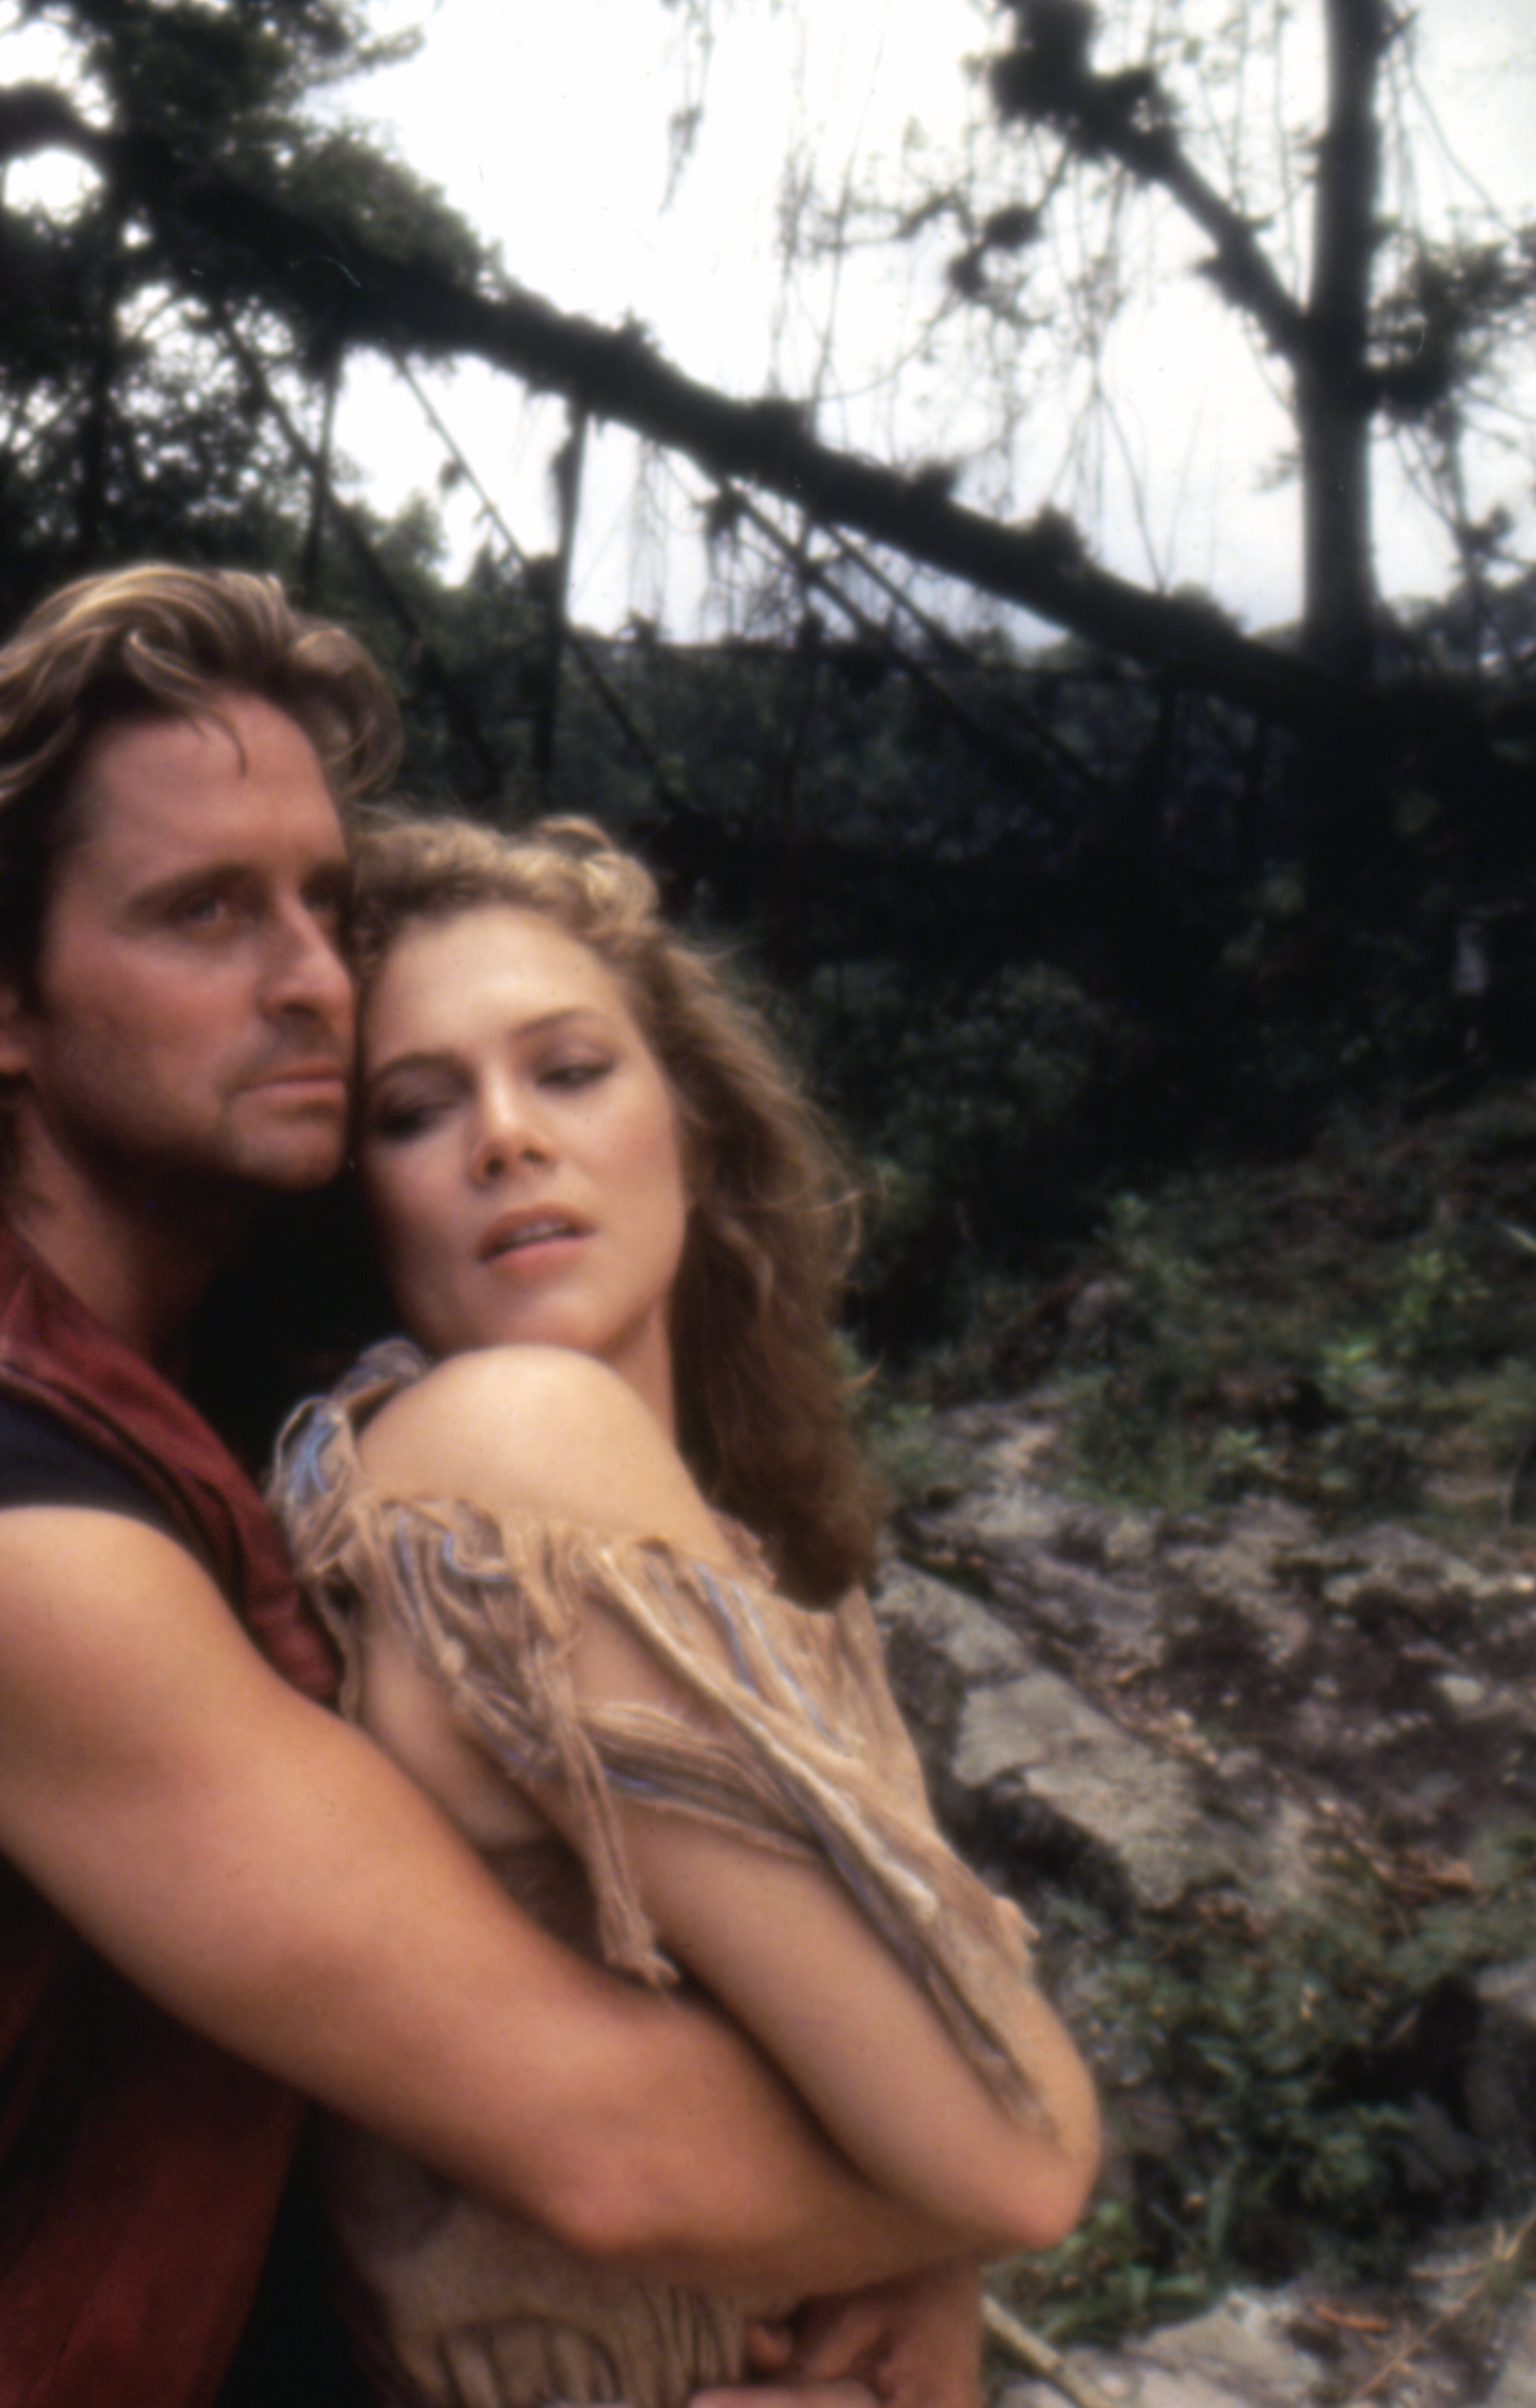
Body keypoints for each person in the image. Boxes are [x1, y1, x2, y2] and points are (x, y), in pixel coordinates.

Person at [0, 567, 1060, 2408]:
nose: (308, 981)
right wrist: (931, 2225)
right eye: (205, 913)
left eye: (322, 908)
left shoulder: (202, 1380)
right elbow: (614, 2140)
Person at [266, 816, 1099, 2406]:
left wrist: (921, 2258)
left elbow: (930, 2125)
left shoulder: (686, 1520)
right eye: (414, 1110)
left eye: (569, 1070)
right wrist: (939, 2223)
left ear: (692, 1128)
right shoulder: (510, 1451)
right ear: (353, 1200)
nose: (504, 1137)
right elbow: (1018, 2143)